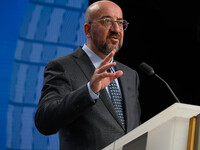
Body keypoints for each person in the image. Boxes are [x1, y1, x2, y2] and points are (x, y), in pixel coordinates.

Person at [34, 0, 141, 149]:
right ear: (87, 30)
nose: (116, 28)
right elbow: (44, 121)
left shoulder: (130, 75)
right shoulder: (63, 67)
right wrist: (90, 91)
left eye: (120, 22)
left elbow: (132, 129)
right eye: (108, 21)